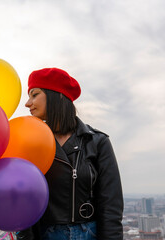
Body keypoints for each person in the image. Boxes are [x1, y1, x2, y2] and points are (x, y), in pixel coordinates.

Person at [17, 68, 124, 240]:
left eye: (34, 95)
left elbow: (111, 206)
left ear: (57, 95)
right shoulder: (30, 143)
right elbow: (22, 204)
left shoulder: (97, 142)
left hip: (90, 234)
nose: (28, 103)